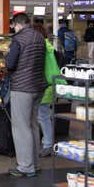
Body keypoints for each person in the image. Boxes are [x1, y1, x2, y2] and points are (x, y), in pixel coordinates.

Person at [6, 13, 46, 177]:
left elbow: (10, 63)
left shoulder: (19, 39)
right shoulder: (39, 36)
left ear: (17, 24)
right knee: (32, 125)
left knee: (21, 127)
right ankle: (34, 164)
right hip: (38, 85)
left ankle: (25, 166)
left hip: (22, 87)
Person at [33, 24, 60, 158]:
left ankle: (48, 144)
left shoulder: (40, 47)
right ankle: (46, 142)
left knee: (43, 116)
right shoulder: (47, 46)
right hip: (50, 84)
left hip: (45, 85)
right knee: (44, 115)